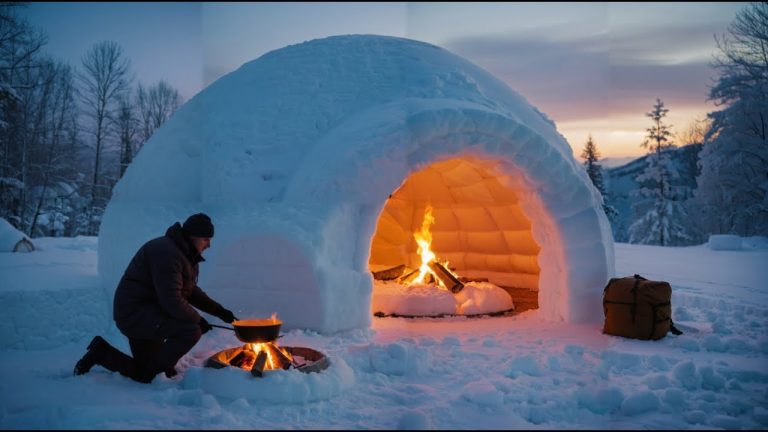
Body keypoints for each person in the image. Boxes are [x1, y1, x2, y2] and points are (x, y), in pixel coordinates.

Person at [74, 213, 238, 383]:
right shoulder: (167, 254)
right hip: (136, 315)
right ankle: (156, 370)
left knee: (145, 373)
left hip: (149, 313)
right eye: (206, 239)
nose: (209, 245)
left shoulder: (182, 253)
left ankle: (101, 352)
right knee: (190, 330)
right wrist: (197, 320)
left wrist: (219, 311)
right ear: (192, 236)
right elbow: (172, 300)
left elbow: (190, 291)